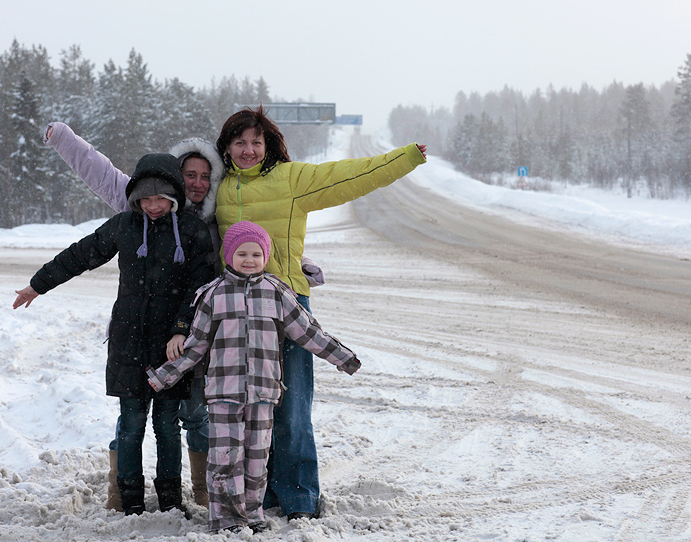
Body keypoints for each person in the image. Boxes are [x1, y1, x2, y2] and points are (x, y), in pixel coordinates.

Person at [43, 122, 326, 510]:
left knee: (195, 413)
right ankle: (118, 486)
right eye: (189, 175)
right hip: (143, 333)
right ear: (176, 177)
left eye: (205, 176)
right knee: (133, 411)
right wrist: (63, 138)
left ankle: (204, 486)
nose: (197, 183)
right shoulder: (147, 202)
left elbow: (251, 247)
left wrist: (296, 264)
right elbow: (100, 171)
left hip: (202, 335)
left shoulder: (218, 215)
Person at [214, 105, 426, 520]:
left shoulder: (292, 179)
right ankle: (260, 495)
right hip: (236, 310)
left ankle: (298, 499)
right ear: (225, 147)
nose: (249, 150)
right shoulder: (219, 187)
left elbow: (350, 176)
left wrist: (403, 158)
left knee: (291, 408)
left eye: (256, 142)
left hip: (288, 303)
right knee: (250, 407)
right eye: (240, 142)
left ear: (269, 145)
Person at [13, 153, 215, 516]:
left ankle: (170, 499)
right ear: (136, 197)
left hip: (172, 349)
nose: (154, 206)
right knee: (131, 424)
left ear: (174, 197)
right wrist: (37, 285)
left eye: (162, 199)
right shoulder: (123, 225)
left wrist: (180, 330)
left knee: (167, 427)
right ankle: (129, 499)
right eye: (146, 199)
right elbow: (80, 255)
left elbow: (198, 286)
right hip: (129, 345)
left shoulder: (191, 230)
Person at [147, 221, 360, 533]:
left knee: (256, 458)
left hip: (263, 391)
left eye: (256, 254)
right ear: (229, 255)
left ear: (266, 257)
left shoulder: (277, 293)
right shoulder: (213, 295)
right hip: (222, 392)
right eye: (242, 253)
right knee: (224, 457)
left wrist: (343, 358)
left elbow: (309, 332)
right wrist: (163, 376)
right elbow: (195, 345)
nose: (249, 260)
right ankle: (225, 519)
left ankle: (252, 514)